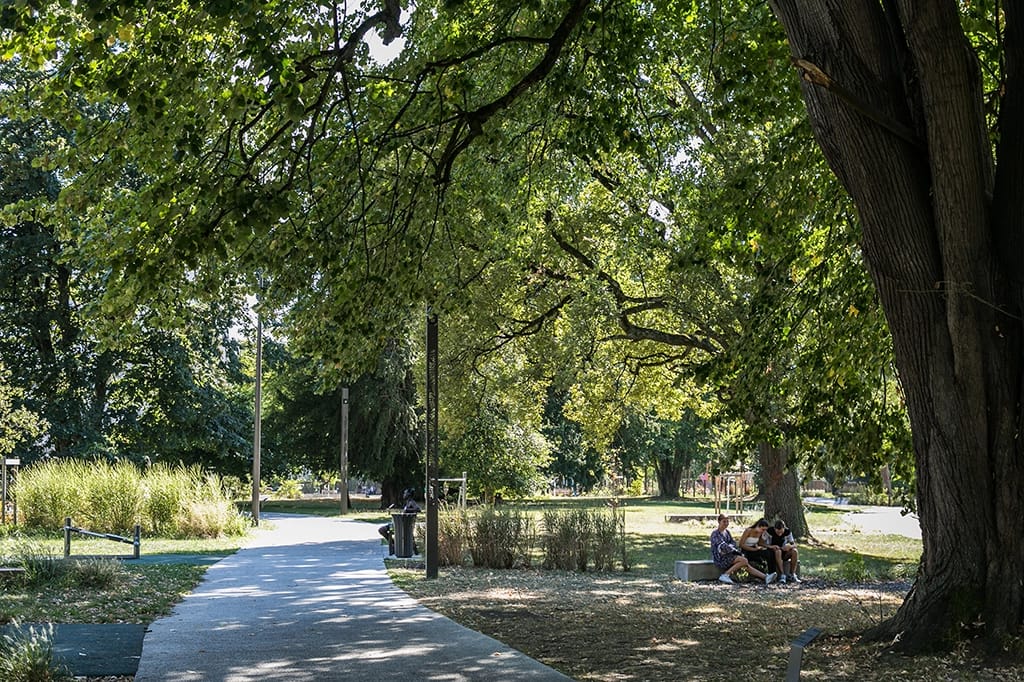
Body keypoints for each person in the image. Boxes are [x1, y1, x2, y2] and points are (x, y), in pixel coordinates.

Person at [710, 514, 776, 585]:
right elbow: (723, 546)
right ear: (719, 522)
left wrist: (731, 547)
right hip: (720, 558)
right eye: (724, 522)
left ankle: (765, 577)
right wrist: (732, 548)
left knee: (745, 564)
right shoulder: (715, 534)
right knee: (744, 560)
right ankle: (725, 575)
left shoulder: (727, 532)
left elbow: (733, 543)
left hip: (729, 554)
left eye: (727, 521)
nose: (726, 523)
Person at [377, 488, 421, 555]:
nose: (404, 494)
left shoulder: (411, 502)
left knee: (382, 530)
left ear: (408, 494)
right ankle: (395, 544)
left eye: (405, 493)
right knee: (381, 530)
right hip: (400, 524)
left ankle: (395, 546)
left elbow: (418, 509)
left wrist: (408, 510)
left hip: (402, 526)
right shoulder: (407, 503)